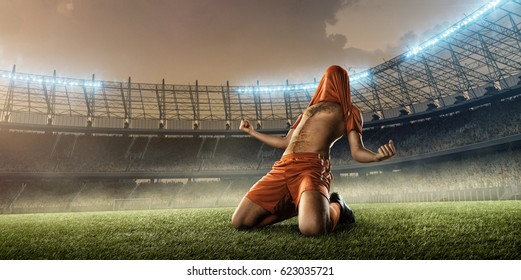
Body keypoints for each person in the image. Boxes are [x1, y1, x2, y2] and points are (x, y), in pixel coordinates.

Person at [231, 65, 396, 236]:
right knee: (240, 222)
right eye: (327, 76)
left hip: (312, 167)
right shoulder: (307, 111)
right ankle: (303, 206)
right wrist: (251, 131)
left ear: (343, 83)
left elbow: (356, 150)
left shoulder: (349, 111)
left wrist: (376, 157)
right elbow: (285, 142)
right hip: (283, 166)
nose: (330, 81)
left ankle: (337, 205)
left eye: (336, 77)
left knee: (312, 229)